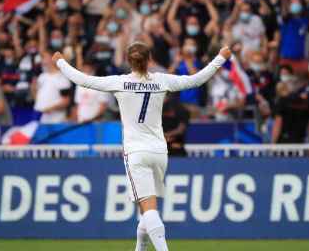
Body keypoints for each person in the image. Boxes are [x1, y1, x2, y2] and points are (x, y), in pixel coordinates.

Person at [52, 42, 232, 251]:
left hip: (136, 153)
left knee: (149, 209)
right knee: (145, 208)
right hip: (159, 152)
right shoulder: (161, 80)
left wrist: (61, 62)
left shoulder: (119, 82)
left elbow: (83, 80)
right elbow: (196, 80)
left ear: (129, 61)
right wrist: (220, 57)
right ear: (149, 60)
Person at [33, 52, 71, 123]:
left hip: (57, 118)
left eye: (45, 57)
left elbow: (66, 101)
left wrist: (50, 108)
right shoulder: (41, 77)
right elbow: (37, 95)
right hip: (41, 116)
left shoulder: (62, 78)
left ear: (53, 59)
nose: (42, 60)